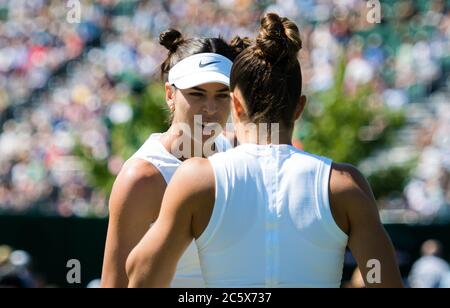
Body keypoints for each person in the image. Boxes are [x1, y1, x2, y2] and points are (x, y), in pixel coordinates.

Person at [126, 13, 403, 288]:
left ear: (235, 104)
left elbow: (140, 276)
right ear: (300, 107)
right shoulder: (347, 184)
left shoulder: (194, 180)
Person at [101, 29, 249, 288]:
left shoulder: (239, 153)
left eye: (222, 95)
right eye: (197, 94)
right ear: (170, 95)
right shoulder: (141, 179)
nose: (211, 108)